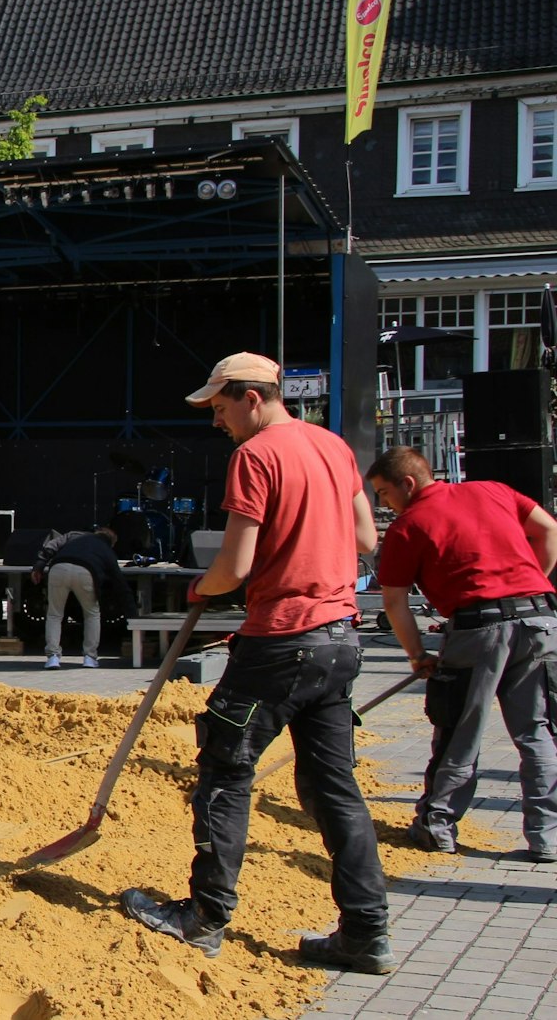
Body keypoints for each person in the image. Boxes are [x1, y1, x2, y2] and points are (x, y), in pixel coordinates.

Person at [119, 351, 393, 974]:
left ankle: (204, 917)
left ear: (252, 397)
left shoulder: (256, 456)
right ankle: (366, 932)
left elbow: (234, 567)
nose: (218, 423)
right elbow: (364, 539)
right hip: (340, 641)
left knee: (224, 767)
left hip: (280, 642)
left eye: (220, 408)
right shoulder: (332, 447)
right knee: (334, 789)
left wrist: (201, 588)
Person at [366, 445, 557, 862]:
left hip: (478, 630)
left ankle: (437, 825)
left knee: (460, 730)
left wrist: (418, 655)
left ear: (408, 483)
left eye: (383, 493)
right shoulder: (494, 491)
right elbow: (548, 529)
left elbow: (395, 603)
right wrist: (529, 583)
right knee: (537, 730)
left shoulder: (408, 527)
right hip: (541, 621)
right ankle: (547, 838)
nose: (383, 503)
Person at [30, 528, 129, 669]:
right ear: (111, 543)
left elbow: (51, 545)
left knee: (54, 614)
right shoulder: (105, 548)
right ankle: (89, 657)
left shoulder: (74, 535)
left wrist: (39, 564)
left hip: (59, 567)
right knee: (92, 614)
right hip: (86, 572)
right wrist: (133, 615)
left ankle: (52, 657)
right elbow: (119, 582)